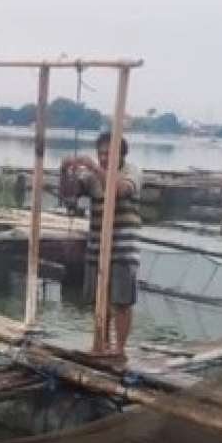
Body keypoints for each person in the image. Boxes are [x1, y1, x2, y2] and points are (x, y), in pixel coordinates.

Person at [60, 132, 142, 359]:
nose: (104, 158)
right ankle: (101, 344)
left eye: (109, 154)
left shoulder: (132, 172)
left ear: (121, 154)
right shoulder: (91, 178)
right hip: (97, 246)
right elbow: (69, 197)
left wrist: (95, 168)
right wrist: (64, 171)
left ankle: (119, 350)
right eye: (101, 154)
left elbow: (120, 190)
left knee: (122, 301)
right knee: (98, 300)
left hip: (123, 248)